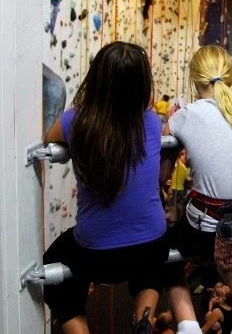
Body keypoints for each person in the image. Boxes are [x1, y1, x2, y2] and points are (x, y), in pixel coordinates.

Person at [43, 41, 169, 334]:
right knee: (151, 268)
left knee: (53, 269)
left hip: (96, 254)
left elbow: (49, 137)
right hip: (150, 244)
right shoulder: (151, 121)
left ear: (97, 78)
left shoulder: (76, 121)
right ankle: (143, 322)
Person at [163, 45, 232, 334]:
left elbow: (163, 173)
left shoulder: (186, 114)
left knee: (165, 254)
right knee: (230, 248)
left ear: (195, 79)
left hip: (207, 233)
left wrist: (171, 119)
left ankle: (188, 324)